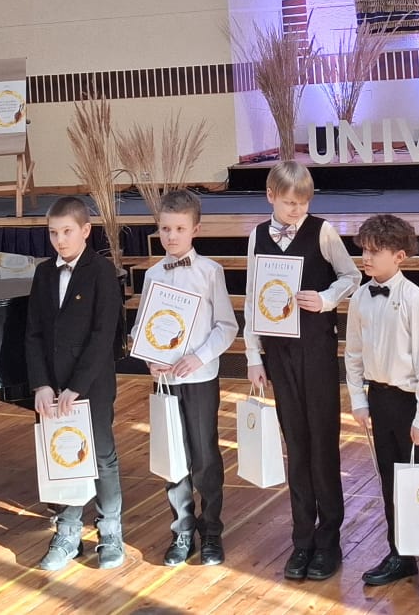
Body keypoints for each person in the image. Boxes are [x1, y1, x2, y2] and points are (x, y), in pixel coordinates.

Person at [244, 160, 358, 582]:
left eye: (303, 203)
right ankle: (302, 540)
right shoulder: (257, 236)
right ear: (271, 196)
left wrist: (326, 299)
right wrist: (253, 355)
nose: (297, 210)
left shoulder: (322, 232)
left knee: (322, 444)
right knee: (295, 445)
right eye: (290, 203)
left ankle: (329, 542)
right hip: (279, 353)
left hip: (316, 348)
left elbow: (351, 275)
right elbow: (253, 297)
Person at [346, 214, 419, 602]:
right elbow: (353, 354)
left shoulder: (414, 299)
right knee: (391, 482)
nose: (366, 257)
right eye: (364, 250)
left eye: (375, 251)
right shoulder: (360, 297)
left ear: (399, 256)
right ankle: (401, 554)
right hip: (380, 400)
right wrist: (359, 400)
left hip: (411, 403)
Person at [28, 195, 125, 571]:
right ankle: (67, 532)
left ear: (85, 230)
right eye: (53, 233)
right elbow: (33, 333)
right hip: (53, 385)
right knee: (63, 455)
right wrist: (41, 384)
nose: (60, 240)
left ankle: (110, 531)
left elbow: (103, 336)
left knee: (100, 454)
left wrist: (77, 386)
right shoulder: (43, 273)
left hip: (91, 383)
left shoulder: (101, 272)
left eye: (67, 231)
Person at [144, 187, 236, 569]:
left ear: (195, 230)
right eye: (165, 229)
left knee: (204, 455)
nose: (171, 236)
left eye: (179, 229)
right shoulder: (152, 274)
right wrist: (149, 358)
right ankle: (182, 530)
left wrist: (199, 357)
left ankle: (211, 530)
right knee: (173, 454)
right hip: (165, 380)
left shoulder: (210, 272)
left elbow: (227, 326)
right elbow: (144, 326)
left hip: (199, 378)